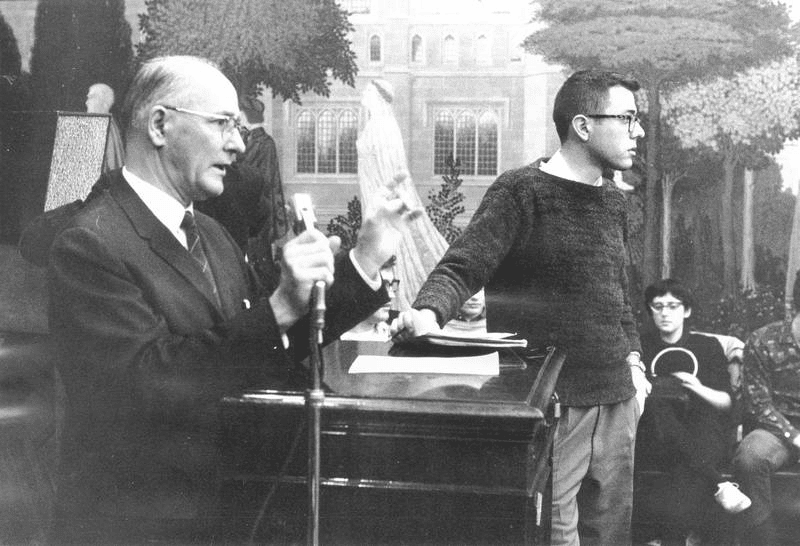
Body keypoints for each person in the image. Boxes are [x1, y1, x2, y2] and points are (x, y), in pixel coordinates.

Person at [47, 55, 415, 544]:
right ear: (160, 125)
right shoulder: (89, 243)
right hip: (139, 526)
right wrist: (281, 306)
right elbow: (146, 383)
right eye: (223, 124)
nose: (239, 144)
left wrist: (364, 261)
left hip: (225, 510)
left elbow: (266, 346)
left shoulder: (213, 234)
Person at [392, 69, 649, 545]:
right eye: (628, 118)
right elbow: (462, 266)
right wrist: (427, 313)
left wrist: (634, 363)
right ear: (583, 125)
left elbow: (619, 294)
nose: (639, 132)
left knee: (610, 535)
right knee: (551, 535)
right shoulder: (521, 191)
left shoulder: (615, 202)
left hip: (617, 400)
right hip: (549, 405)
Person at [635, 279, 750, 544]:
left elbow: (727, 403)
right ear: (650, 310)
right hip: (655, 435)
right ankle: (719, 482)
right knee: (658, 405)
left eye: (673, 306)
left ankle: (669, 540)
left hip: (701, 432)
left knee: (689, 460)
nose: (665, 313)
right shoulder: (641, 347)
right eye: (658, 306)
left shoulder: (706, 347)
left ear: (686, 311)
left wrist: (696, 387)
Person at [731, 309, 800, 545]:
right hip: (775, 427)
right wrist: (795, 436)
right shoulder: (763, 339)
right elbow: (759, 404)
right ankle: (761, 537)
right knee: (750, 458)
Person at [85, 82, 125, 173]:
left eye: (91, 98)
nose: (86, 103)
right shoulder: (97, 124)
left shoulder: (107, 125)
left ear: (103, 101)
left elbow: (110, 163)